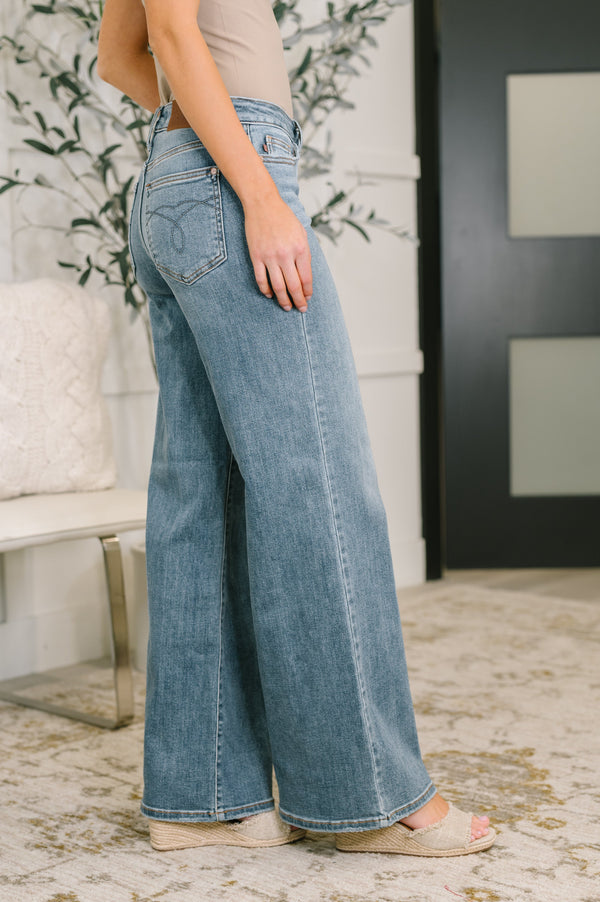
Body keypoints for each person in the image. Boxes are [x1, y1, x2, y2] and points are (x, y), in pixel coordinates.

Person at [97, 0, 495, 856]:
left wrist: (197, 138)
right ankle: (371, 798)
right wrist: (256, 187)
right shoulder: (241, 178)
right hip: (228, 175)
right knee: (320, 487)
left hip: (180, 179)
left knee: (201, 496)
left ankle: (203, 800)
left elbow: (116, 55)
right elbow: (169, 36)